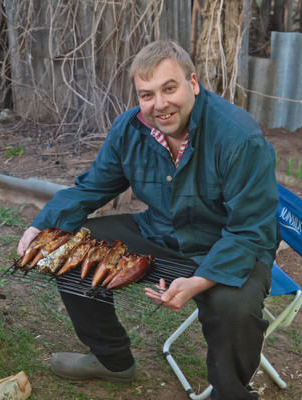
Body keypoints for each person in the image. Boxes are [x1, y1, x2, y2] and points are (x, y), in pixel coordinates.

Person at [16, 40, 280, 400]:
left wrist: (198, 282)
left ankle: (230, 394)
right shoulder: (130, 129)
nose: (160, 104)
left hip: (230, 247)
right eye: (147, 94)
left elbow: (249, 231)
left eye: (169, 88)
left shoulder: (238, 137)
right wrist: (40, 226)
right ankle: (111, 360)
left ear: (193, 83)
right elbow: (91, 188)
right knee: (68, 249)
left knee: (233, 306)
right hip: (159, 234)